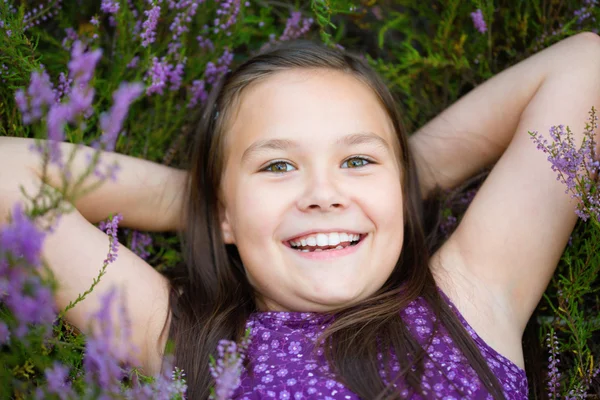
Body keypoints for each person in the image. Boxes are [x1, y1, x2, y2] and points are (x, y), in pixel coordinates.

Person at [1, 32, 600, 399]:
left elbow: (585, 65)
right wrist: (200, 203)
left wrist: (397, 180)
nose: (323, 193)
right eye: (278, 167)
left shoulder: (469, 298)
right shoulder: (185, 343)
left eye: (357, 159)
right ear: (225, 215)